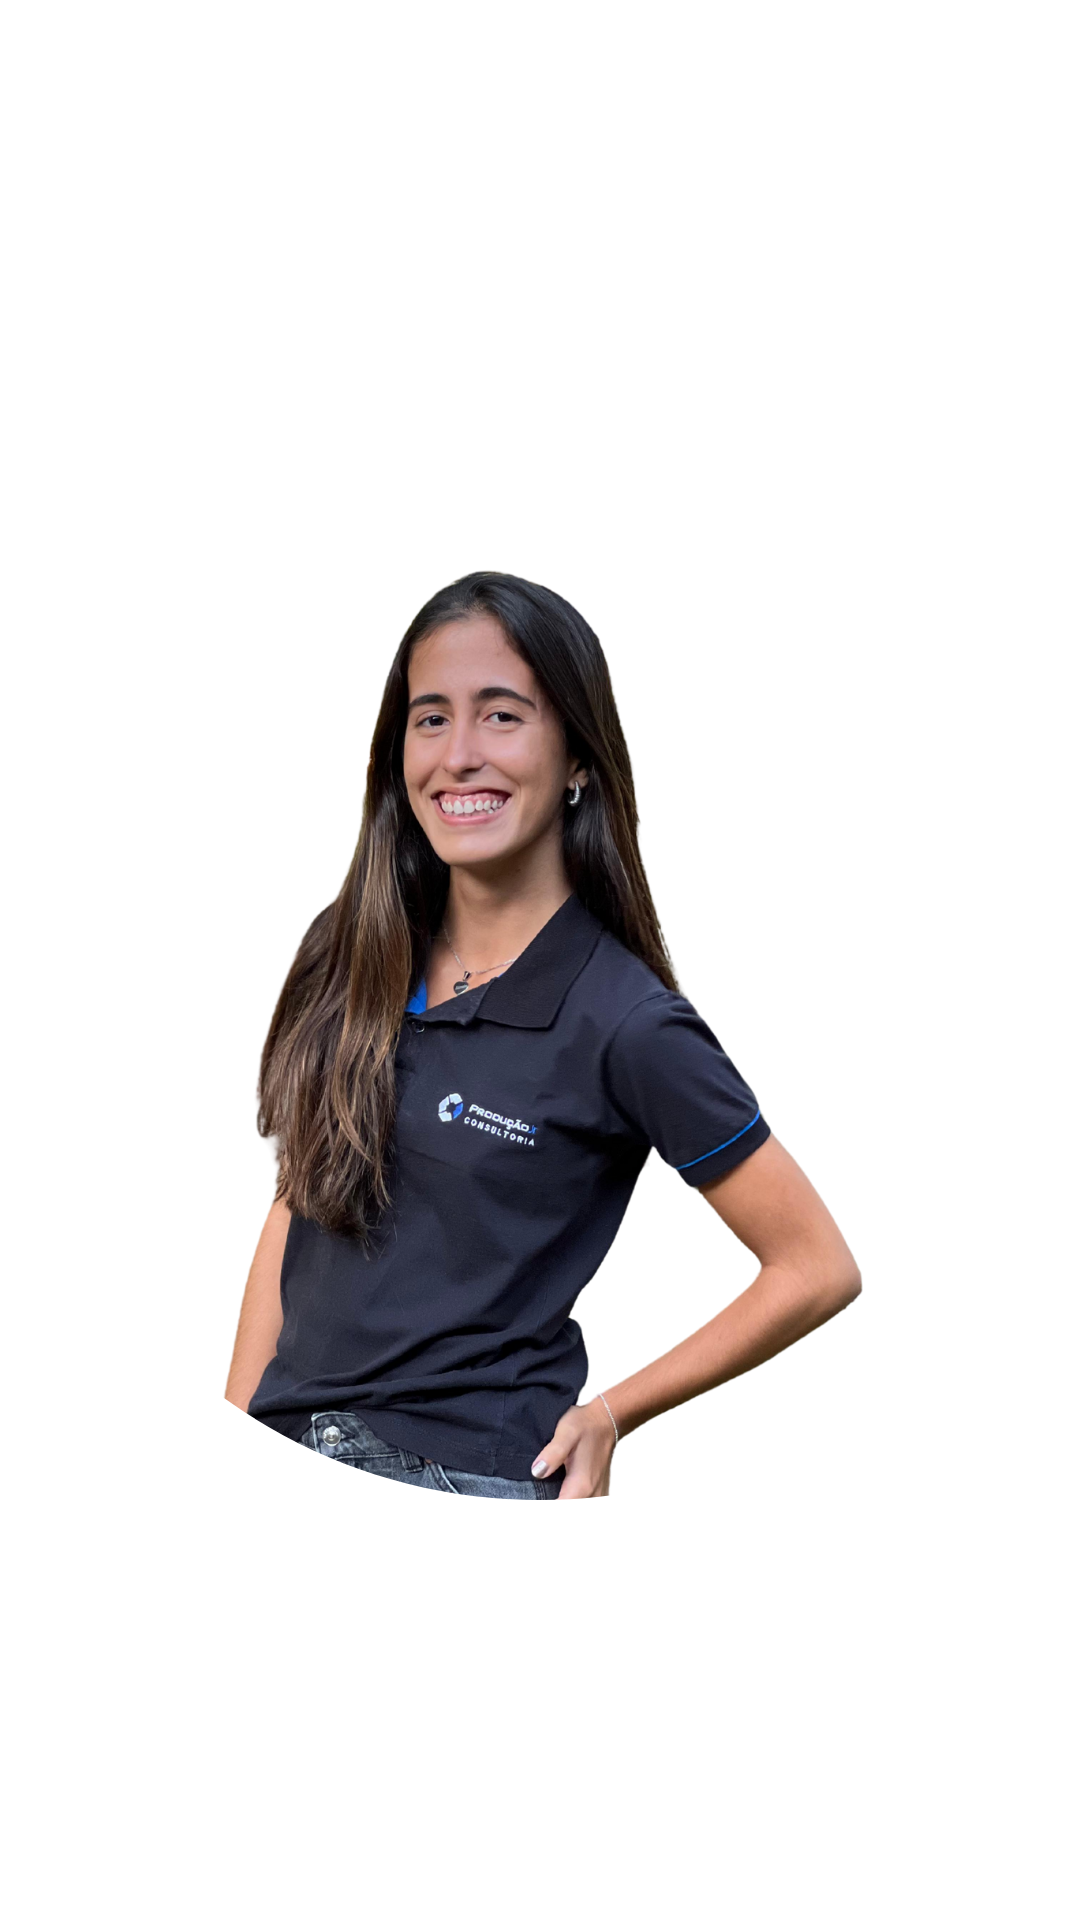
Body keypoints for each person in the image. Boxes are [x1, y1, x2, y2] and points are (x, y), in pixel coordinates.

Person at [225, 571, 862, 1498]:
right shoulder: (354, 953)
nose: (459, 755)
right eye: (432, 718)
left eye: (502, 715)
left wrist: (612, 1414)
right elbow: (296, 1199)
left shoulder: (626, 1021)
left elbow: (817, 1267)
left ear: (577, 761)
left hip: (461, 1470)